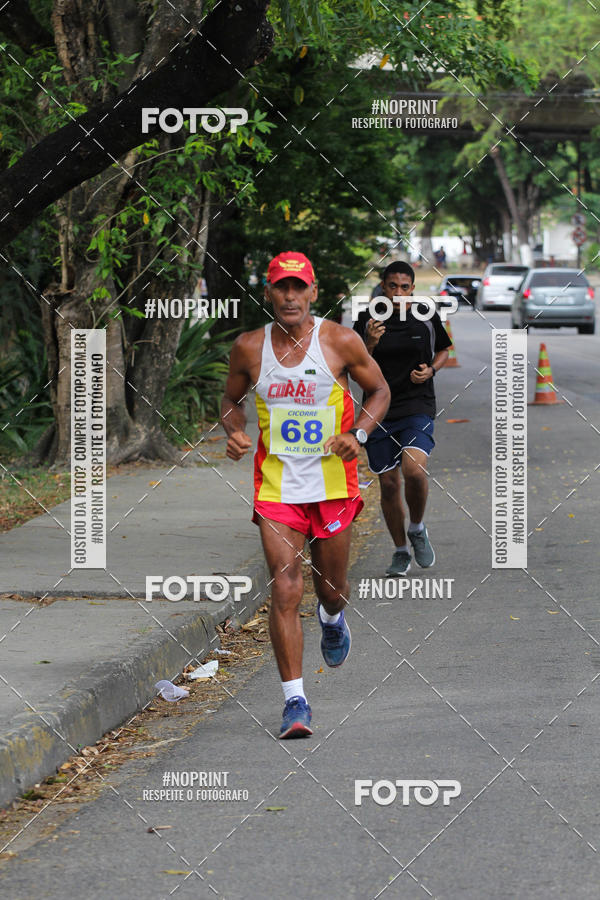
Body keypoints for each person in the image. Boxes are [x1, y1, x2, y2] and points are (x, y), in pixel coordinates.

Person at [221, 252, 390, 739]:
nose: (290, 296)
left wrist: (358, 434)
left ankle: (332, 617)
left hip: (333, 484)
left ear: (314, 292)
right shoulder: (249, 347)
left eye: (299, 287)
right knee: (285, 586)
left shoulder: (339, 341)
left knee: (331, 589)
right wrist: (234, 430)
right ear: (268, 292)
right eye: (281, 287)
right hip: (277, 486)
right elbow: (230, 400)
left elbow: (379, 391)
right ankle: (295, 702)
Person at [353, 261, 451, 576]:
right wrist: (369, 343)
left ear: (412, 289)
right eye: (392, 286)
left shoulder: (425, 315)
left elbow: (444, 350)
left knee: (414, 470)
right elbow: (354, 368)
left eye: (404, 287)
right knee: (389, 483)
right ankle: (399, 550)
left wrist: (431, 370)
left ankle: (417, 527)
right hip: (378, 409)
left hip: (416, 404)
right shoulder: (367, 319)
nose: (398, 293)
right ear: (383, 287)